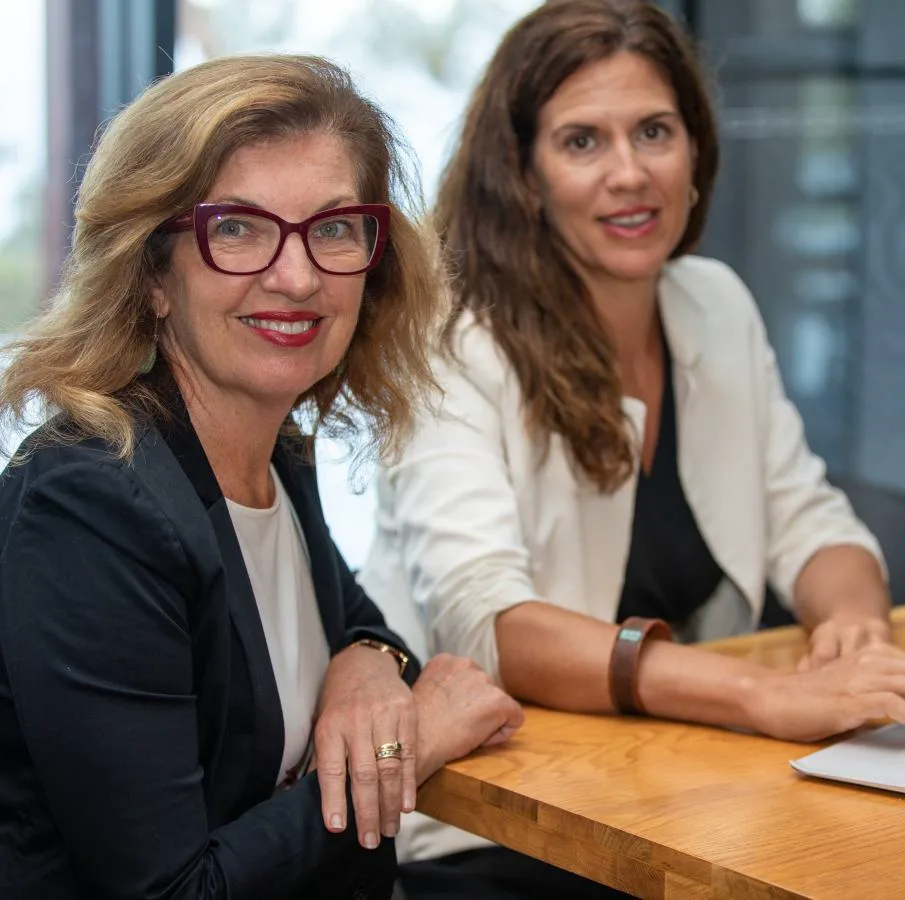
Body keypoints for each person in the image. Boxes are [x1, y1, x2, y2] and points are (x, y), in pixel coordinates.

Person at [361, 0, 905, 895]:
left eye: (655, 131)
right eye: (582, 142)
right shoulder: (454, 344)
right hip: (503, 821)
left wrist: (855, 630)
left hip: (689, 789)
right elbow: (489, 623)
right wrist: (764, 696)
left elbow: (810, 517)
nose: (629, 173)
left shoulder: (714, 303)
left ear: (696, 154)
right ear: (522, 175)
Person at [0, 54, 524, 900]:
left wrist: (366, 664)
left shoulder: (277, 452)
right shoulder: (92, 502)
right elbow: (172, 892)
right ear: (154, 273)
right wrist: (411, 743)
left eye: (333, 228)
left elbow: (367, 627)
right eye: (237, 228)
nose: (298, 275)